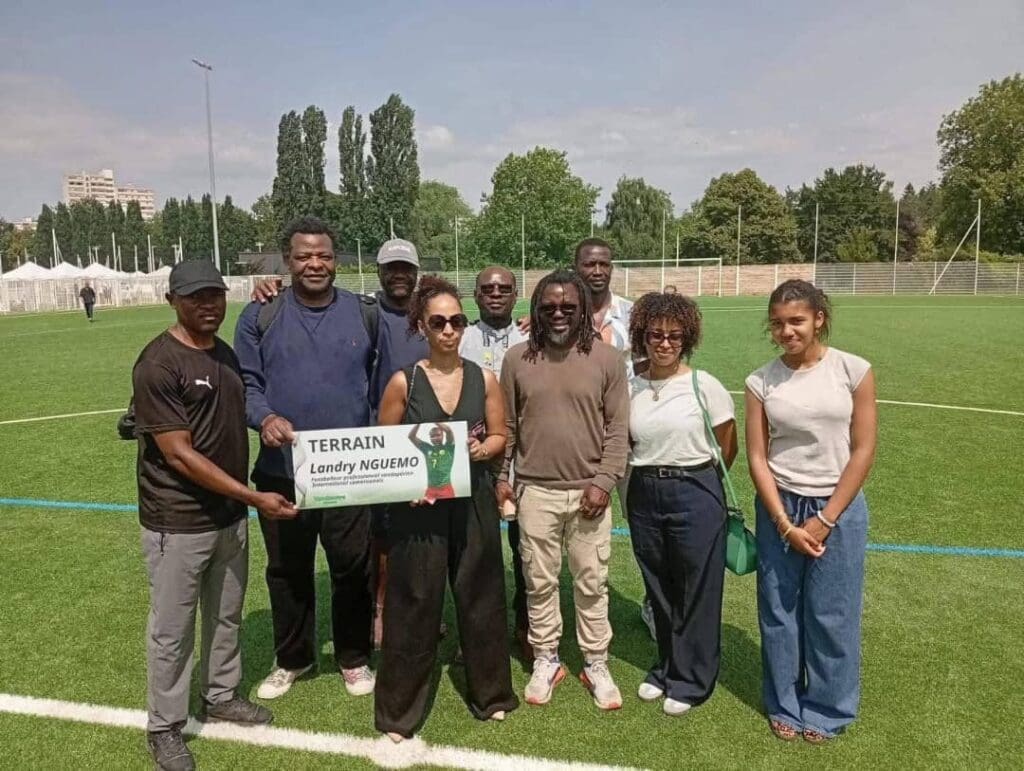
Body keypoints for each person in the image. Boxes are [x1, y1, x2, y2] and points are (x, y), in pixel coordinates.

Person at [132, 260, 295, 771]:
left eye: (215, 295)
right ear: (173, 300)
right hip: (177, 521)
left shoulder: (223, 355)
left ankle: (221, 695)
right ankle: (165, 726)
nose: (208, 305)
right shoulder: (159, 362)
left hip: (227, 518)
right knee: (173, 629)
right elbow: (180, 454)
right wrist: (253, 498)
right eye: (195, 296)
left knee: (225, 614)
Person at [234, 217, 377, 702]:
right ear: (288, 261)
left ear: (336, 261)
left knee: (353, 569)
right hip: (281, 472)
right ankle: (293, 658)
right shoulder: (260, 314)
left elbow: (380, 387)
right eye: (303, 256)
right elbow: (246, 384)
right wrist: (264, 418)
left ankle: (354, 658)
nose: (314, 264)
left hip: (349, 472)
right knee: (288, 571)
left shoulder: (363, 313)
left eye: (323, 255)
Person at [375, 276, 518, 741]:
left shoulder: (484, 378)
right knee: (415, 601)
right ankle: (400, 712)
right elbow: (384, 446)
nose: (449, 330)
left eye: (457, 321)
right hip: (419, 509)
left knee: (481, 594)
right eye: (438, 322)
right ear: (422, 325)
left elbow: (500, 436)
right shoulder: (405, 382)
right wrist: (405, 485)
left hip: (473, 499)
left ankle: (492, 694)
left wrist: (482, 451)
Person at [745, 279, 877, 744]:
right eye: (778, 323)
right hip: (780, 505)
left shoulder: (853, 370)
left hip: (837, 509)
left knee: (832, 613)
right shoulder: (760, 381)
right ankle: (784, 702)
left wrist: (825, 518)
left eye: (796, 321)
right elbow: (758, 458)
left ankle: (826, 707)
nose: (787, 331)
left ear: (819, 317)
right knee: (779, 611)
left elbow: (863, 449)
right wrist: (784, 521)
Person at [497, 269, 629, 711]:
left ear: (584, 310)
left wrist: (603, 481)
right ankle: (546, 657)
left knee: (592, 583)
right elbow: (509, 427)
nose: (558, 314)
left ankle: (596, 661)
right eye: (549, 307)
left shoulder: (608, 360)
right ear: (536, 310)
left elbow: (617, 430)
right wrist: (502, 477)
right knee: (538, 582)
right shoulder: (516, 359)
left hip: (590, 492)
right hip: (535, 492)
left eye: (568, 307)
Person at [625, 292, 737, 716]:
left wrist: (693, 478)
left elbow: (728, 447)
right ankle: (666, 667)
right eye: (655, 334)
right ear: (643, 336)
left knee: (697, 588)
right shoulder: (632, 383)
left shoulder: (702, 384)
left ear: (686, 338)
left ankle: (693, 680)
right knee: (659, 585)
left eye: (674, 336)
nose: (664, 343)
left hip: (696, 490)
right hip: (644, 491)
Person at [573, 239, 656, 640]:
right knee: (574, 528)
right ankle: (569, 607)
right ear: (576, 267)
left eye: (604, 263)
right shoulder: (562, 312)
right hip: (577, 437)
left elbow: (654, 361)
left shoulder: (633, 315)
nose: (598, 270)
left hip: (630, 436)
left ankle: (655, 602)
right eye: (589, 263)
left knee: (643, 524)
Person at [459, 265, 530, 654]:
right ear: (476, 293)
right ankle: (477, 632)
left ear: (515, 293)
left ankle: (526, 625)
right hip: (474, 462)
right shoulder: (461, 336)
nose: (496, 293)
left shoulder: (532, 335)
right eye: (487, 288)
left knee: (526, 553)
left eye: (503, 288)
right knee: (476, 554)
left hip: (525, 463)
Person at [408, 422, 457, 501]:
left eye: (438, 435)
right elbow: (411, 436)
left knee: (449, 511)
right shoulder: (427, 448)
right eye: (432, 436)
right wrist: (419, 422)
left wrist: (433, 420)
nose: (435, 438)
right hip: (431, 491)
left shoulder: (449, 447)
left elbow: (449, 431)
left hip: (446, 490)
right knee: (428, 512)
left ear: (443, 435)